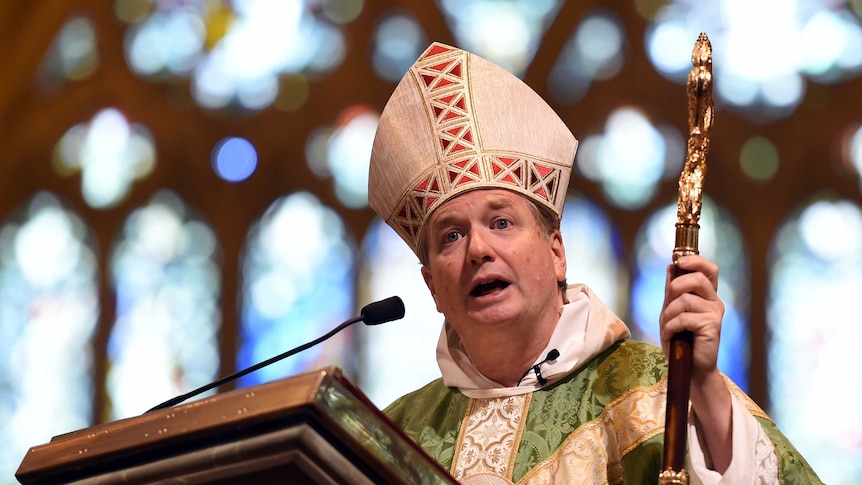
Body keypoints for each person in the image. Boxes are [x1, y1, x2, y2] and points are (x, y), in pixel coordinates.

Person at [368, 42, 821, 484]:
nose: (478, 249)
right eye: (452, 236)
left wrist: (703, 387)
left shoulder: (652, 393)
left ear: (556, 252)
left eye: (502, 222)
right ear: (431, 287)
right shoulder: (389, 438)